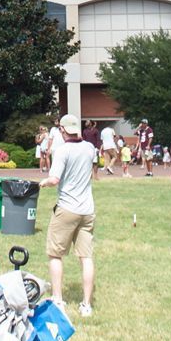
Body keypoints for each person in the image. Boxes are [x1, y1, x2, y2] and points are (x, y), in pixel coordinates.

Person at [40, 114, 97, 316]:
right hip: (87, 210)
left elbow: (54, 179)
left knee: (55, 254)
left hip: (67, 208)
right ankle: (86, 304)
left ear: (63, 131)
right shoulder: (89, 148)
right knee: (86, 256)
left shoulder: (62, 151)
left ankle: (57, 299)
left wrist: (43, 183)